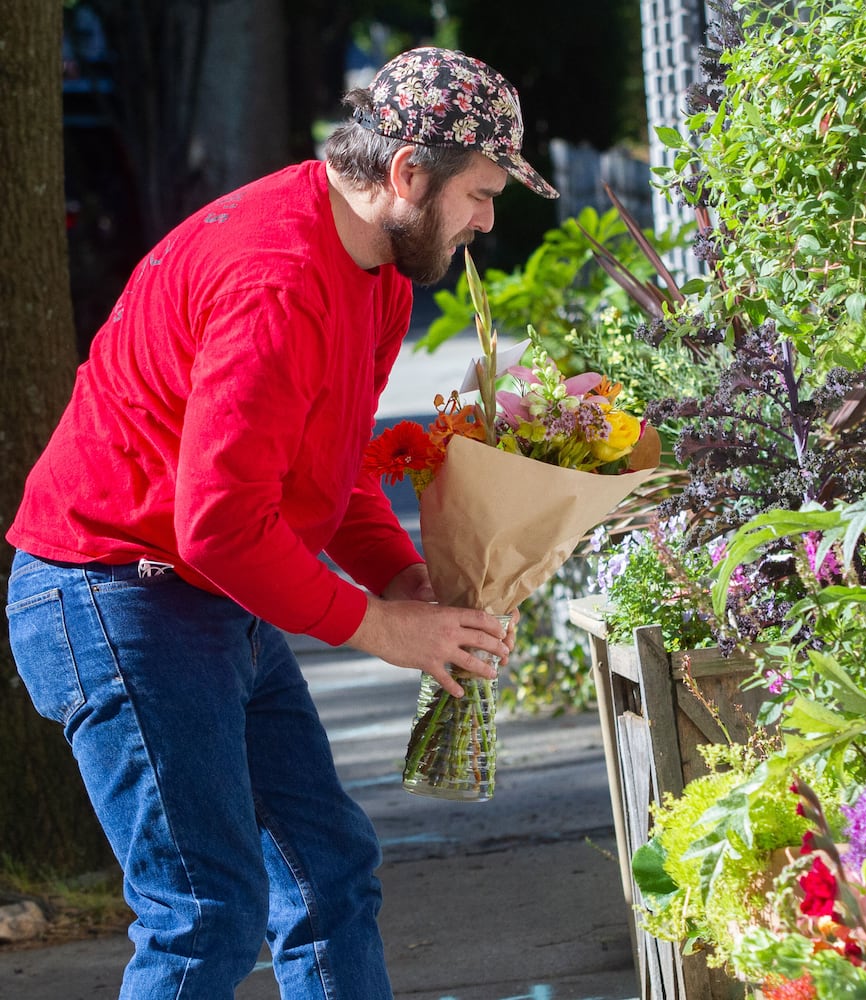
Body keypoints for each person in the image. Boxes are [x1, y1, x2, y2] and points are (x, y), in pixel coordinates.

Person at [5, 48, 558, 999]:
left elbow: (328, 467)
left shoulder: (377, 269)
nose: (485, 220)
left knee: (329, 872)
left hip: (210, 593)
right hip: (116, 593)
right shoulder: (276, 279)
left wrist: (402, 580)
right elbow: (218, 525)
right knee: (203, 913)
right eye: (479, 192)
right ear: (405, 173)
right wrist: (383, 630)